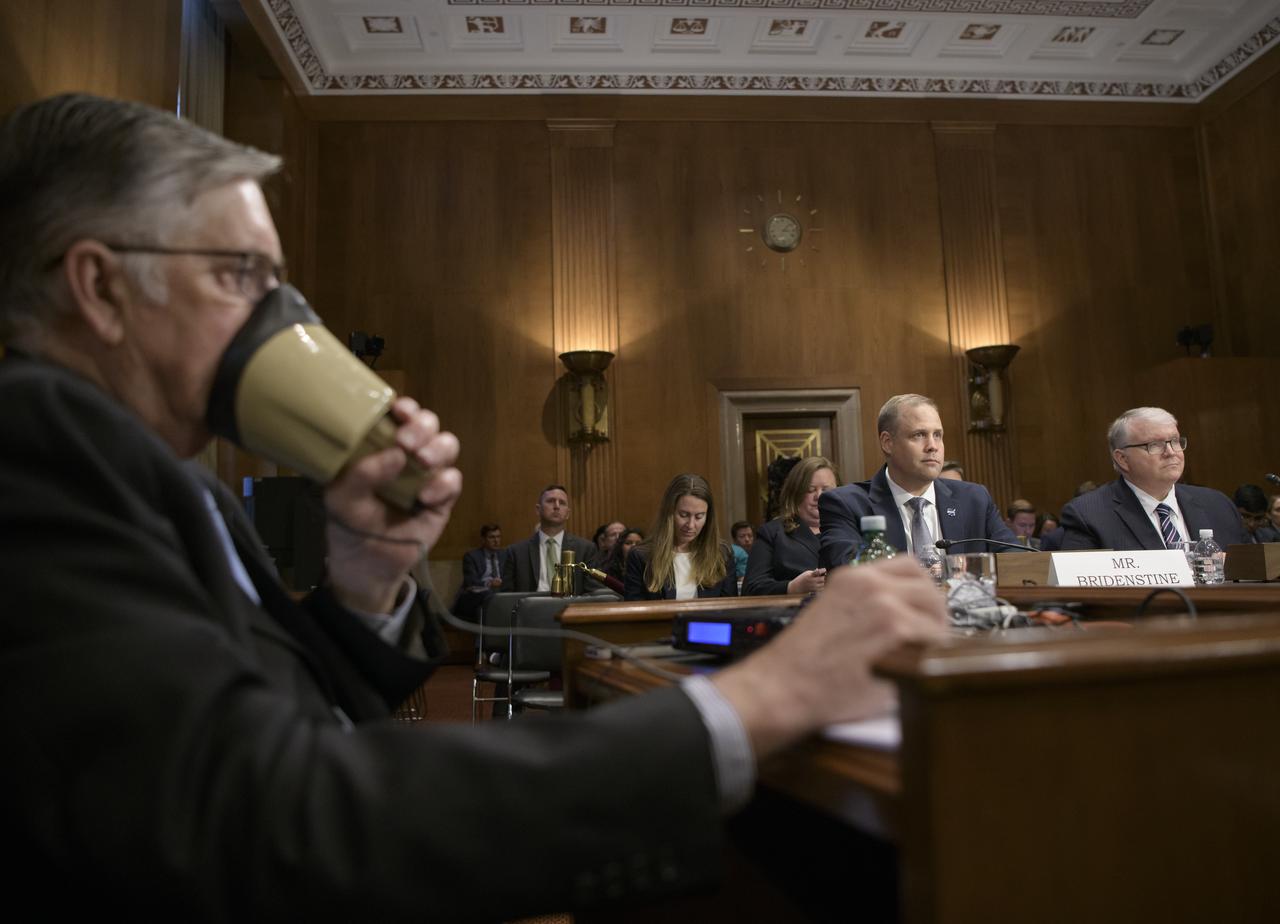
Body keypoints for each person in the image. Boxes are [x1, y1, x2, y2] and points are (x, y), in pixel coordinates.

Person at [0, 93, 950, 922]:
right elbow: (257, 819)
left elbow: (274, 718)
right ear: (100, 286)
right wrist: (757, 699)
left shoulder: (166, 475)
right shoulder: (36, 449)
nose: (273, 315)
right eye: (238, 275)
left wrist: (366, 576)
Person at [819, 394, 1016, 569]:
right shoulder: (846, 504)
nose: (933, 446)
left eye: (937, 435)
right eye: (919, 435)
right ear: (888, 442)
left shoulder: (974, 499)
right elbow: (847, 568)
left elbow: (1016, 559)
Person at [1059, 407, 1250, 551]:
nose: (1171, 452)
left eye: (1175, 441)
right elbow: (1079, 593)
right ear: (1122, 459)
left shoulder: (1218, 505)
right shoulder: (1088, 514)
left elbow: (1252, 575)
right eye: (1154, 445)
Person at [625, 474, 739, 600]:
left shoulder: (722, 554)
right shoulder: (641, 556)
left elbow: (729, 608)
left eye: (699, 516)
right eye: (684, 515)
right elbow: (635, 611)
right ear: (669, 513)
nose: (691, 525)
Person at [744, 456, 837, 595]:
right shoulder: (772, 533)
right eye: (810, 490)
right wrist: (791, 587)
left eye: (826, 489)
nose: (819, 496)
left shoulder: (852, 529)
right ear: (795, 493)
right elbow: (751, 588)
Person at [502, 484, 599, 592]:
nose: (556, 506)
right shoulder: (516, 552)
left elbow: (593, 592)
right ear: (538, 510)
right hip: (531, 607)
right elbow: (507, 597)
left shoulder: (585, 549)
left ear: (567, 513)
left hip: (571, 607)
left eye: (562, 503)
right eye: (551, 501)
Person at [453, 523, 504, 618]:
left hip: (500, 592)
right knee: (489, 595)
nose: (496, 541)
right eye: (492, 537)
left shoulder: (504, 555)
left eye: (498, 537)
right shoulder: (471, 556)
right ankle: (485, 631)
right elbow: (470, 581)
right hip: (477, 594)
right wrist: (490, 583)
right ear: (483, 539)